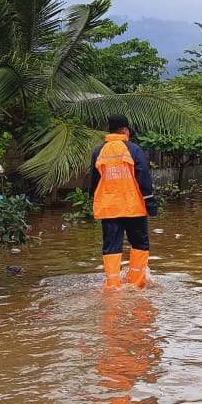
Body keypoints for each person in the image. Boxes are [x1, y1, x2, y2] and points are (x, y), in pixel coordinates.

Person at [88, 114, 158, 288]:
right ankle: (136, 284)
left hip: (109, 208)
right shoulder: (134, 150)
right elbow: (143, 179)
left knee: (111, 246)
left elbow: (94, 181)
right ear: (125, 130)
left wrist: (92, 200)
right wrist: (150, 203)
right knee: (140, 244)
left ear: (109, 130)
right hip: (133, 206)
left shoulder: (99, 151)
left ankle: (112, 285)